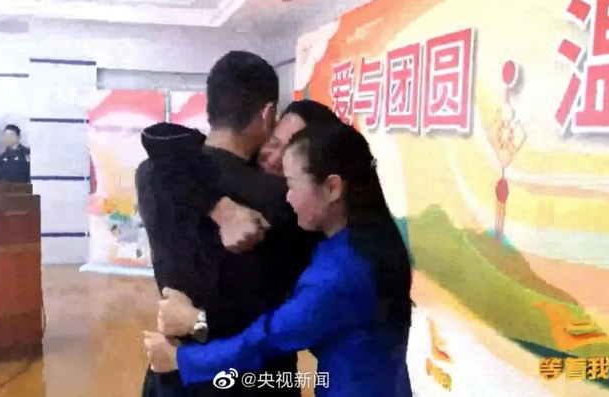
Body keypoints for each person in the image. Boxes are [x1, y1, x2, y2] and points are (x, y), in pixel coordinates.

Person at [145, 121, 414, 397]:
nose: (287, 198)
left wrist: (181, 357)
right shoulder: (371, 238)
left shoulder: (341, 274)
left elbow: (267, 340)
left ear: (332, 187)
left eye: (291, 184)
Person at [136, 52, 321, 397]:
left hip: (174, 372)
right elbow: (296, 309)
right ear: (267, 114)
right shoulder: (282, 199)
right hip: (257, 379)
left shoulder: (153, 176)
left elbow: (162, 148)